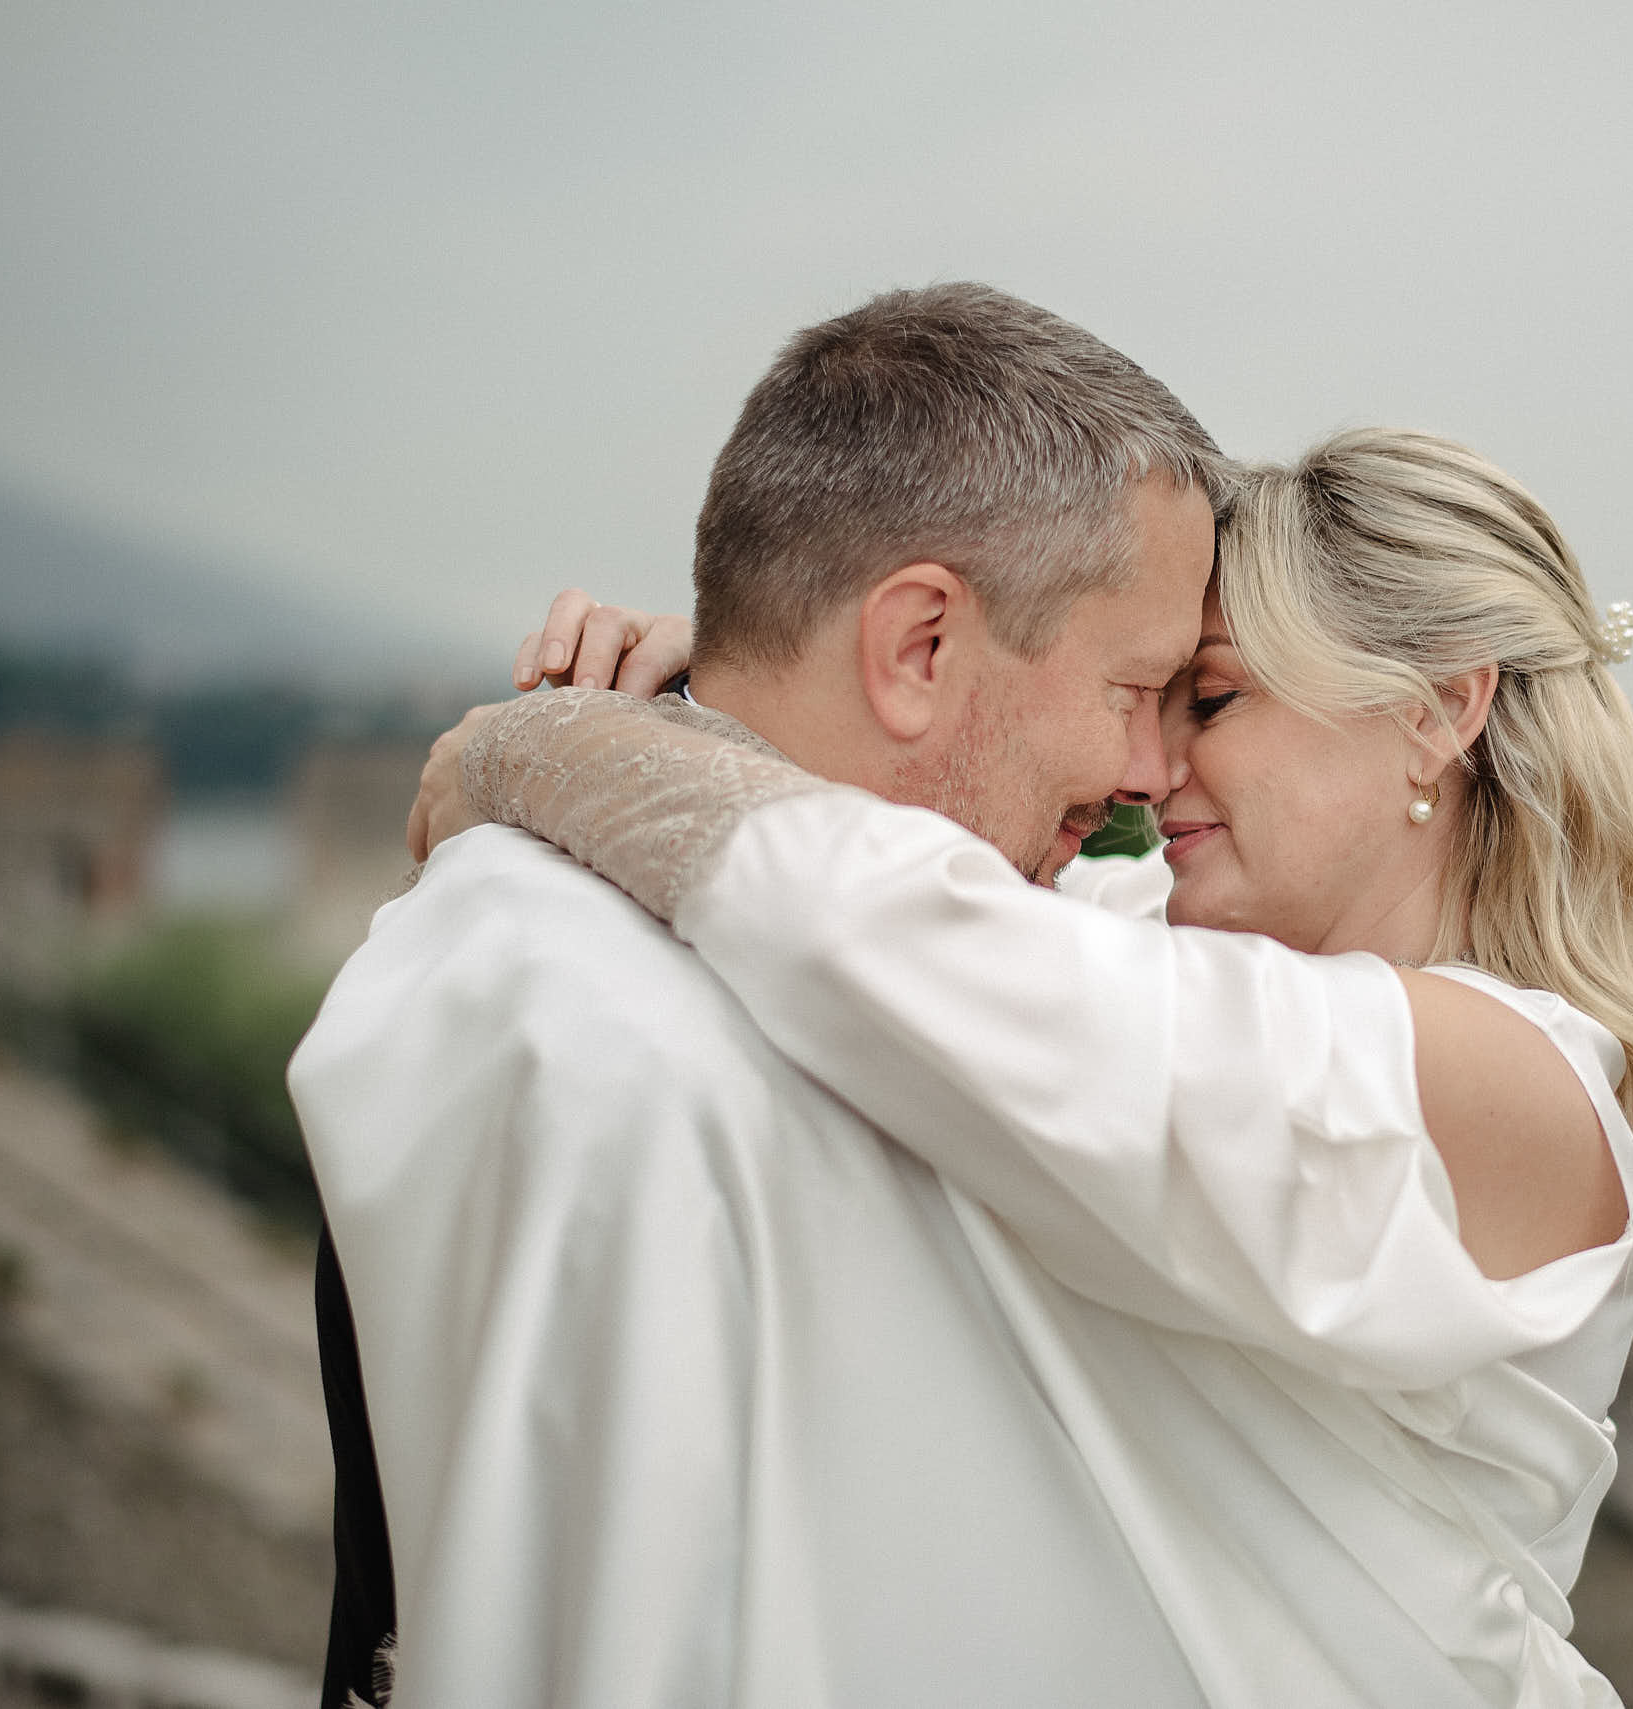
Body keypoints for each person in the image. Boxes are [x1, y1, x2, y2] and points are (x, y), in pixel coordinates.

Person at [411, 427, 1633, 1706]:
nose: (1150, 766)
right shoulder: (1154, 943)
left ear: (1436, 709)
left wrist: (533, 749)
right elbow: (905, 870)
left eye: (1213, 697)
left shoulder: (1509, 1088)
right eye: (1149, 697)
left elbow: (869, 924)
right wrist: (755, 690)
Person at [293, 281, 1230, 1708]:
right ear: (919, 647)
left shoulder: (577, 928)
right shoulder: (614, 1053)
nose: (1161, 775)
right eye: (1140, 688)